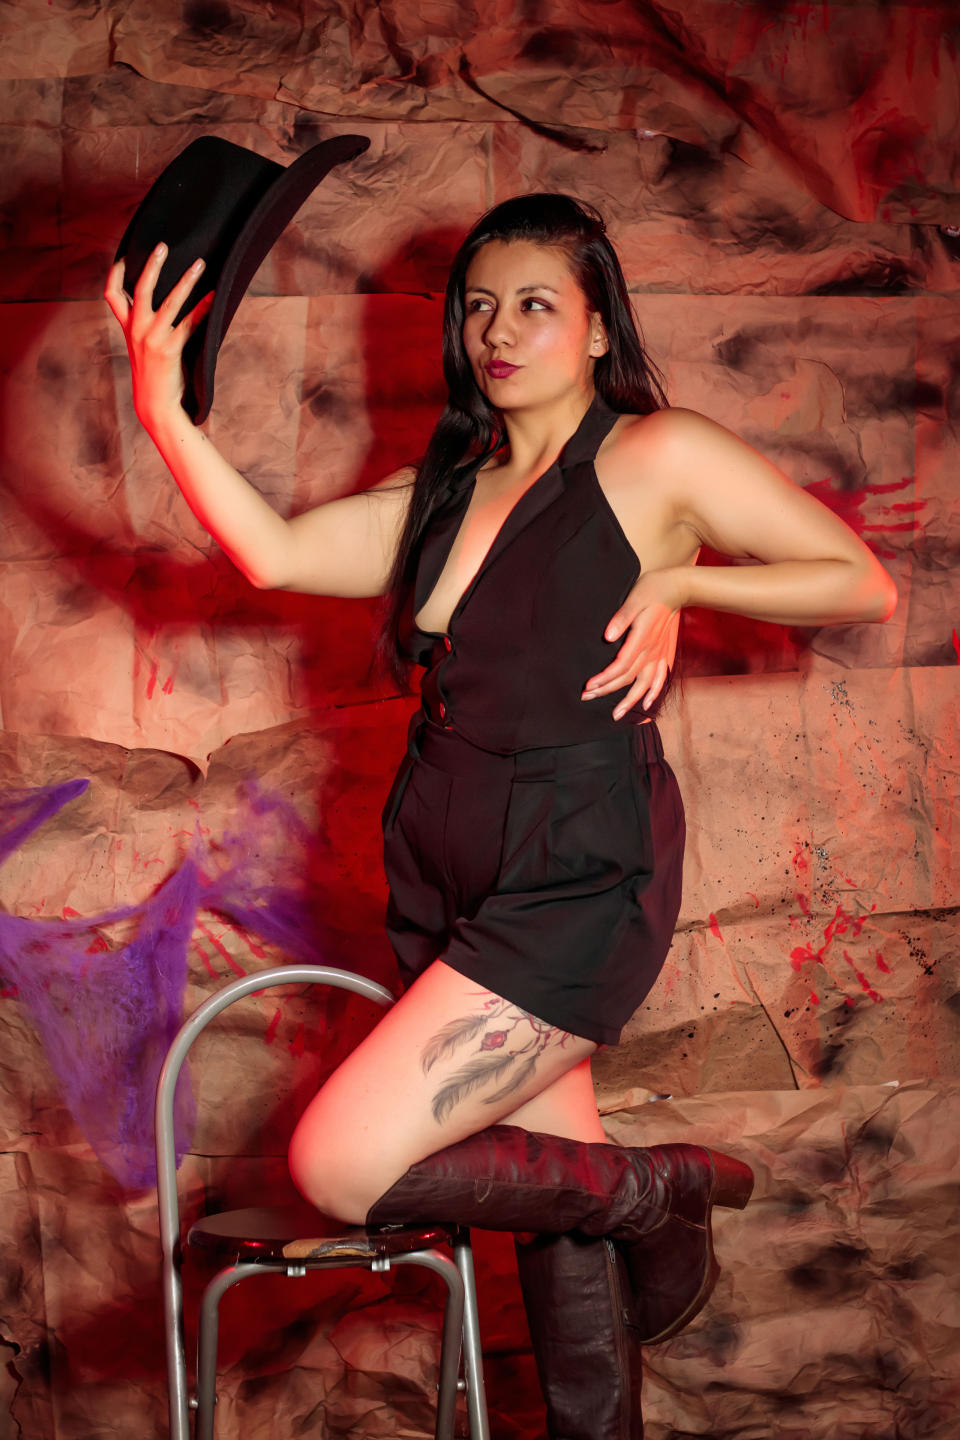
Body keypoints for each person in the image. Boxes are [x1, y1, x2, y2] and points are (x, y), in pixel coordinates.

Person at [105, 193, 896, 1438]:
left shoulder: (656, 456)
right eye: (479, 307)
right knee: (556, 1223)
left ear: (597, 326)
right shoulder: (443, 488)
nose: (500, 330)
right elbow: (272, 554)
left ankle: (653, 1190)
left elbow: (860, 580)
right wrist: (163, 407)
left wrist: (679, 579)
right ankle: (612, 1262)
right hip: (445, 867)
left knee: (338, 1164)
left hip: (578, 870)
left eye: (535, 304)